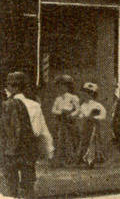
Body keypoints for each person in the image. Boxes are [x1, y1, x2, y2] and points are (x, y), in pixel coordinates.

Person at [2, 71, 53, 199]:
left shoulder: (5, 105)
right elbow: (40, 131)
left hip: (9, 151)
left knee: (10, 186)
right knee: (28, 186)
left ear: (11, 87)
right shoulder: (35, 105)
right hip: (28, 150)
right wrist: (49, 151)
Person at [49, 74, 79, 167]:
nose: (61, 88)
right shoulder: (58, 99)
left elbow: (78, 109)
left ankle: (71, 159)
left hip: (70, 121)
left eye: (63, 85)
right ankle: (59, 160)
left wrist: (71, 114)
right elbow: (53, 110)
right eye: (60, 85)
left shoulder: (73, 98)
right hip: (60, 121)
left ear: (68, 86)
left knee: (70, 139)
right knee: (59, 139)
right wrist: (60, 112)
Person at [76, 83, 106, 168]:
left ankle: (90, 160)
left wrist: (95, 117)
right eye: (84, 93)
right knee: (84, 142)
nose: (85, 95)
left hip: (94, 126)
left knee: (92, 142)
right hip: (85, 126)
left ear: (92, 94)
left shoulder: (97, 105)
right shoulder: (83, 105)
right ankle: (84, 159)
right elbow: (80, 115)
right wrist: (81, 117)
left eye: (87, 93)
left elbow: (103, 115)